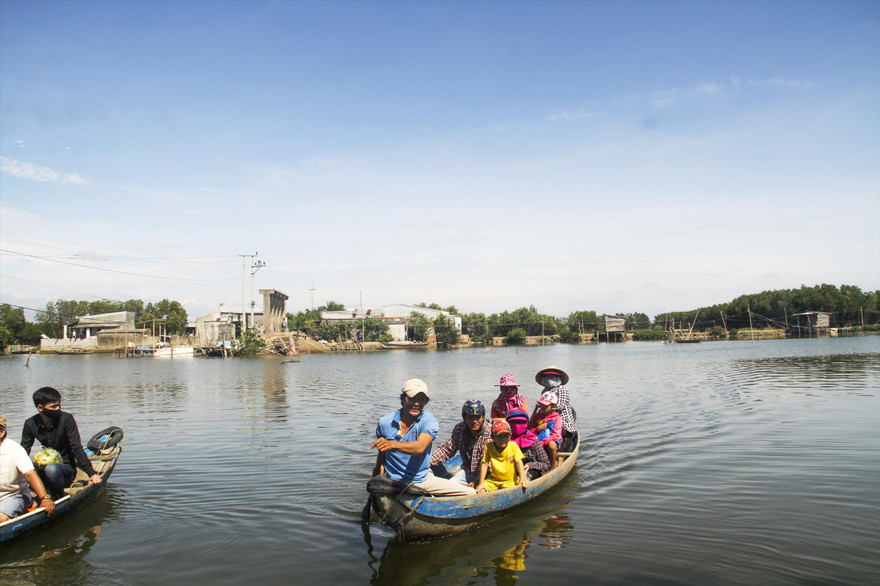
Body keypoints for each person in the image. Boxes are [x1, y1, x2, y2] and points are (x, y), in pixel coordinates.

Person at [371, 378, 475, 496]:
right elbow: (382, 453)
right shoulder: (385, 423)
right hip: (394, 482)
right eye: (412, 398)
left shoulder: (428, 421)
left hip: (422, 480)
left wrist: (392, 444)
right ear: (403, 398)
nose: (417, 403)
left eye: (421, 399)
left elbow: (420, 447)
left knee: (471, 493)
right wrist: (377, 475)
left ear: (425, 401)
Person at [20, 387, 101, 500]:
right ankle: (42, 492)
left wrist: (91, 473)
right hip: (43, 470)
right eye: (53, 406)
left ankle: (58, 497)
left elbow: (76, 447)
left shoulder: (66, 419)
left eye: (59, 405)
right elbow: (23, 451)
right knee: (29, 469)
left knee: (52, 469)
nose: (58, 409)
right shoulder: (30, 424)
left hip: (65, 469)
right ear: (40, 407)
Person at [1, 416, 55, 523]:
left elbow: (30, 474)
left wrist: (44, 498)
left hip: (13, 495)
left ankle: (29, 503)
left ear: (1, 432)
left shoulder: (14, 449)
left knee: (1, 518)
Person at [430, 400, 493, 487]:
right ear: (464, 418)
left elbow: (490, 463)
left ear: (483, 417)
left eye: (478, 417)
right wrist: (428, 462)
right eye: (470, 418)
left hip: (488, 475)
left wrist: (478, 482)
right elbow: (447, 449)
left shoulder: (490, 432)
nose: (474, 421)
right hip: (468, 471)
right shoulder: (460, 429)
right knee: (449, 486)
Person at [476, 419, 530, 493]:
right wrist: (481, 483)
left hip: (510, 481)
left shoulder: (513, 446)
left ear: (510, 436)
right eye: (499, 437)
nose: (503, 439)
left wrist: (522, 479)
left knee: (513, 491)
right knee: (481, 491)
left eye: (506, 436)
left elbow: (519, 462)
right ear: (493, 437)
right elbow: (484, 464)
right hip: (493, 481)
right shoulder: (488, 447)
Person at [506, 408, 550, 477]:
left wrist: (530, 465)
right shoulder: (504, 441)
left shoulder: (533, 441)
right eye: (513, 422)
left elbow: (546, 464)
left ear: (527, 423)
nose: (517, 425)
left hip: (529, 474)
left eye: (521, 422)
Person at [535, 366, 577, 436]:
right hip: (549, 419)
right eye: (547, 377)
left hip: (563, 423)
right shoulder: (545, 391)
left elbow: (559, 407)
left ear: (558, 378)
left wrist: (545, 407)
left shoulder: (562, 390)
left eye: (552, 377)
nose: (549, 379)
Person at [529, 391, 563, 469]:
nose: (543, 407)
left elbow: (556, 436)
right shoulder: (536, 416)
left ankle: (552, 468)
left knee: (552, 445)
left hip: (549, 442)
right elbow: (530, 432)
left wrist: (542, 443)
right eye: (542, 405)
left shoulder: (557, 418)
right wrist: (538, 429)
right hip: (537, 441)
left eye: (546, 406)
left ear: (552, 407)